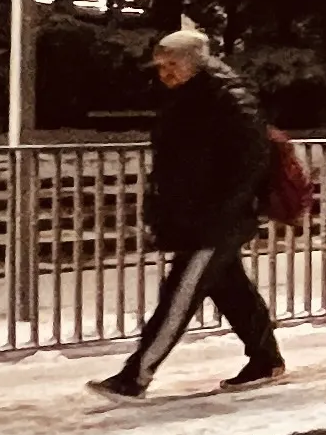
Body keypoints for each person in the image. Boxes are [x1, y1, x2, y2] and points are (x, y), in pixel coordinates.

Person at [94, 25, 287, 398]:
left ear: (194, 64)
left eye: (171, 65)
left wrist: (218, 213)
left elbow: (247, 163)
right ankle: (266, 359)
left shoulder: (227, 100)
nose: (163, 73)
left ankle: (136, 375)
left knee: (178, 296)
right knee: (232, 291)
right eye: (160, 66)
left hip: (215, 220)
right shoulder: (192, 96)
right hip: (203, 216)